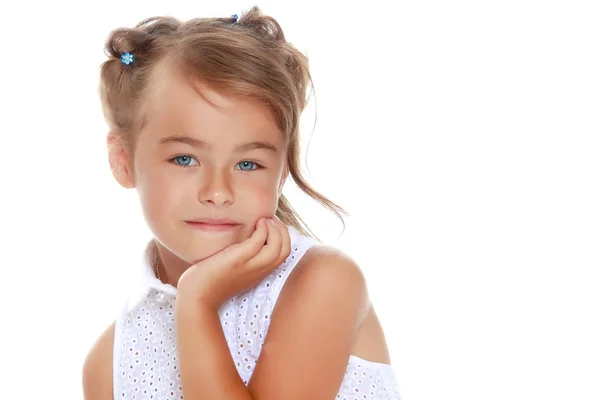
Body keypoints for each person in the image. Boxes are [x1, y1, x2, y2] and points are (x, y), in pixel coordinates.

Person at [82, 6, 401, 400]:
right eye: (185, 159)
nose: (218, 191)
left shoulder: (323, 283)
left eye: (248, 163)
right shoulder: (108, 363)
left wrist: (196, 305)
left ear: (281, 172)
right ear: (122, 160)